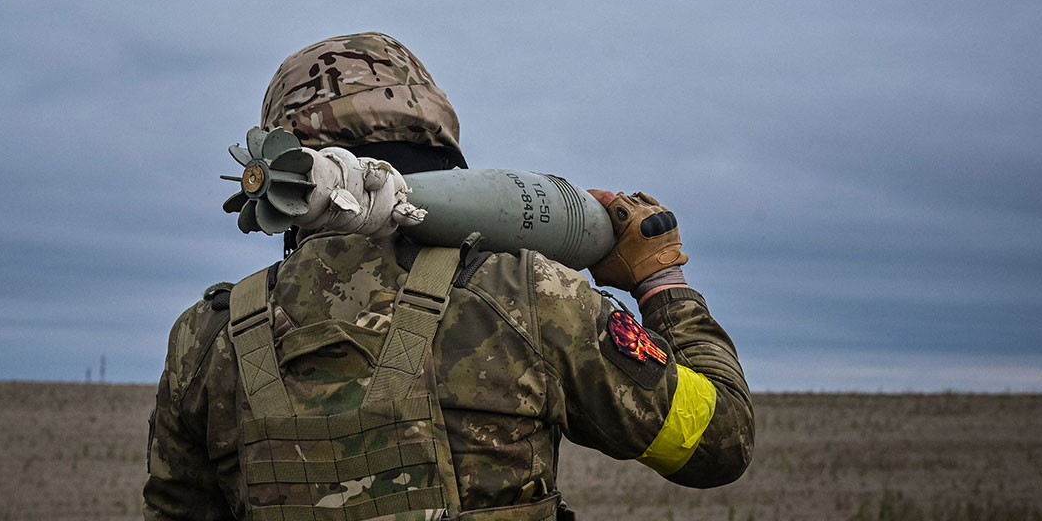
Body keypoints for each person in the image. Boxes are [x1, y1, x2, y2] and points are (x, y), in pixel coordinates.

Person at [142, 32, 754, 520]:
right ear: (437, 140)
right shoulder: (529, 297)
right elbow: (718, 443)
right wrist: (660, 279)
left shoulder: (207, 338)